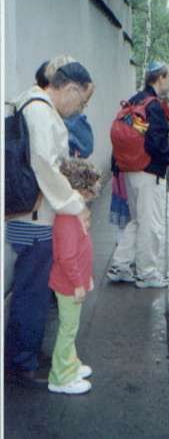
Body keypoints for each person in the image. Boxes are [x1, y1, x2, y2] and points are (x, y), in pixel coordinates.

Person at [5, 56, 94, 385]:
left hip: (30, 215)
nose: (80, 108)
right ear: (70, 88)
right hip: (35, 218)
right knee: (32, 292)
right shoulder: (41, 111)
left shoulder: (31, 104)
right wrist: (74, 204)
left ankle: (26, 354)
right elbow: (45, 166)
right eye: (82, 99)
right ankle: (22, 364)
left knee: (34, 290)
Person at [107, 61, 169, 289]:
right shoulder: (153, 105)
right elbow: (157, 143)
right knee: (151, 223)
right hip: (148, 173)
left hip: (129, 170)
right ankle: (147, 273)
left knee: (137, 220)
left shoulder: (135, 100)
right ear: (160, 78)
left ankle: (120, 265)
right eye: (168, 77)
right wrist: (165, 161)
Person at [48, 158, 100, 395]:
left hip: (71, 283)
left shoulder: (71, 214)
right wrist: (79, 283)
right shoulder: (68, 219)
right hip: (69, 285)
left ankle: (70, 364)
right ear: (78, 190)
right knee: (68, 329)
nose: (91, 197)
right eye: (89, 193)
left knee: (71, 326)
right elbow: (67, 258)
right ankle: (61, 377)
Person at [35, 60, 94, 159]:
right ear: (71, 90)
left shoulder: (40, 106)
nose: (80, 110)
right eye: (81, 103)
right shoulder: (42, 113)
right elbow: (46, 170)